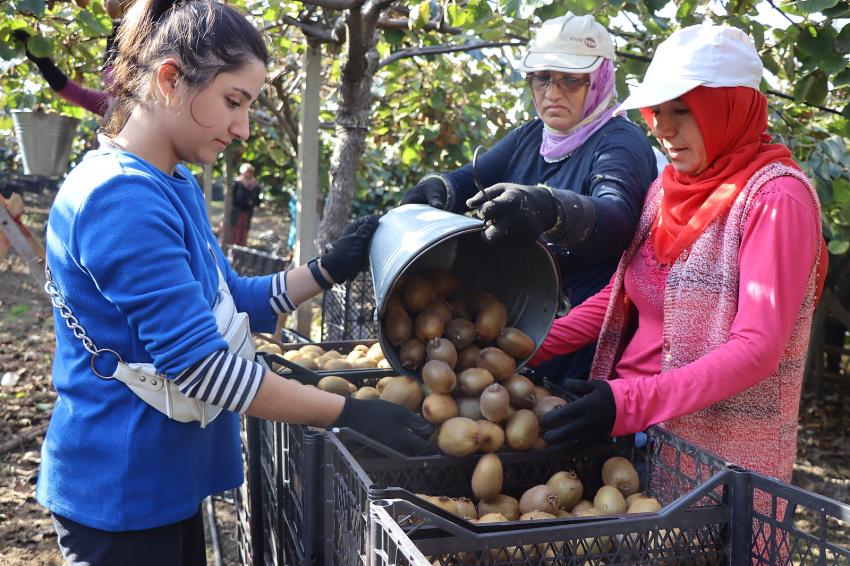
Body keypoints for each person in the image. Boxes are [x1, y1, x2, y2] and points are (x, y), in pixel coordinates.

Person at [37, 1, 433, 564]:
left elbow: (233, 303)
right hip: (120, 489)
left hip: (163, 481)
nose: (243, 128)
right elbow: (203, 369)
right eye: (233, 102)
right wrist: (347, 413)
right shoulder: (120, 199)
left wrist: (328, 269)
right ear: (170, 79)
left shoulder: (174, 184)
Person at [534, 24, 826, 485]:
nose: (664, 128)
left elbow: (757, 350)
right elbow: (622, 294)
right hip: (632, 441)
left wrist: (627, 403)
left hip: (717, 465)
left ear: (729, 108)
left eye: (684, 111)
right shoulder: (665, 190)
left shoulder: (776, 201)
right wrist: (532, 342)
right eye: (658, 110)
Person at [401, 12, 657, 385]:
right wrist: (439, 190)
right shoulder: (531, 136)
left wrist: (551, 208)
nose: (552, 93)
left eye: (571, 80)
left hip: (580, 344)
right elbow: (470, 180)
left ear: (599, 80)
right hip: (515, 331)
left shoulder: (619, 142)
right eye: (542, 79)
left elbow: (616, 217)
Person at [11, 0, 133, 116]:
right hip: (128, 58)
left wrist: (41, 61)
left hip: (124, 61)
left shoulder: (112, 108)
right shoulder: (116, 107)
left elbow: (71, 91)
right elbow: (74, 92)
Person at [229, 163, 261, 246]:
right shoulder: (237, 183)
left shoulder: (255, 185)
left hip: (247, 212)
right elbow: (232, 197)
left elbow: (257, 200)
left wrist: (252, 202)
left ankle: (240, 251)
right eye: (247, 172)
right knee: (234, 231)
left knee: (244, 232)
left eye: (250, 172)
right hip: (237, 211)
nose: (248, 174)